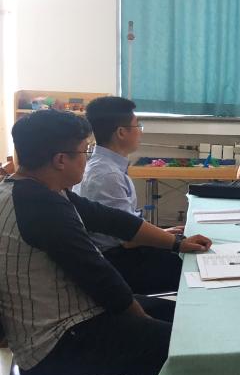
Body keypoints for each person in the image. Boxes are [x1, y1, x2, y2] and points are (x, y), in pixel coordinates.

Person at [0, 110, 210, 375]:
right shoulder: (41, 207)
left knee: (183, 319)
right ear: (60, 159)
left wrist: (177, 242)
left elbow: (110, 219)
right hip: (54, 343)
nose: (89, 157)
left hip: (63, 320)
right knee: (182, 344)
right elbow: (100, 278)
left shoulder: (32, 190)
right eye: (85, 150)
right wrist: (140, 320)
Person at [74, 96, 210, 296]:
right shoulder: (106, 176)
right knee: (197, 266)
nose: (140, 131)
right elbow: (127, 238)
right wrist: (174, 242)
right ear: (121, 132)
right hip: (119, 261)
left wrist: (163, 233)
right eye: (138, 125)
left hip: (124, 249)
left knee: (191, 252)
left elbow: (126, 224)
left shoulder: (106, 167)